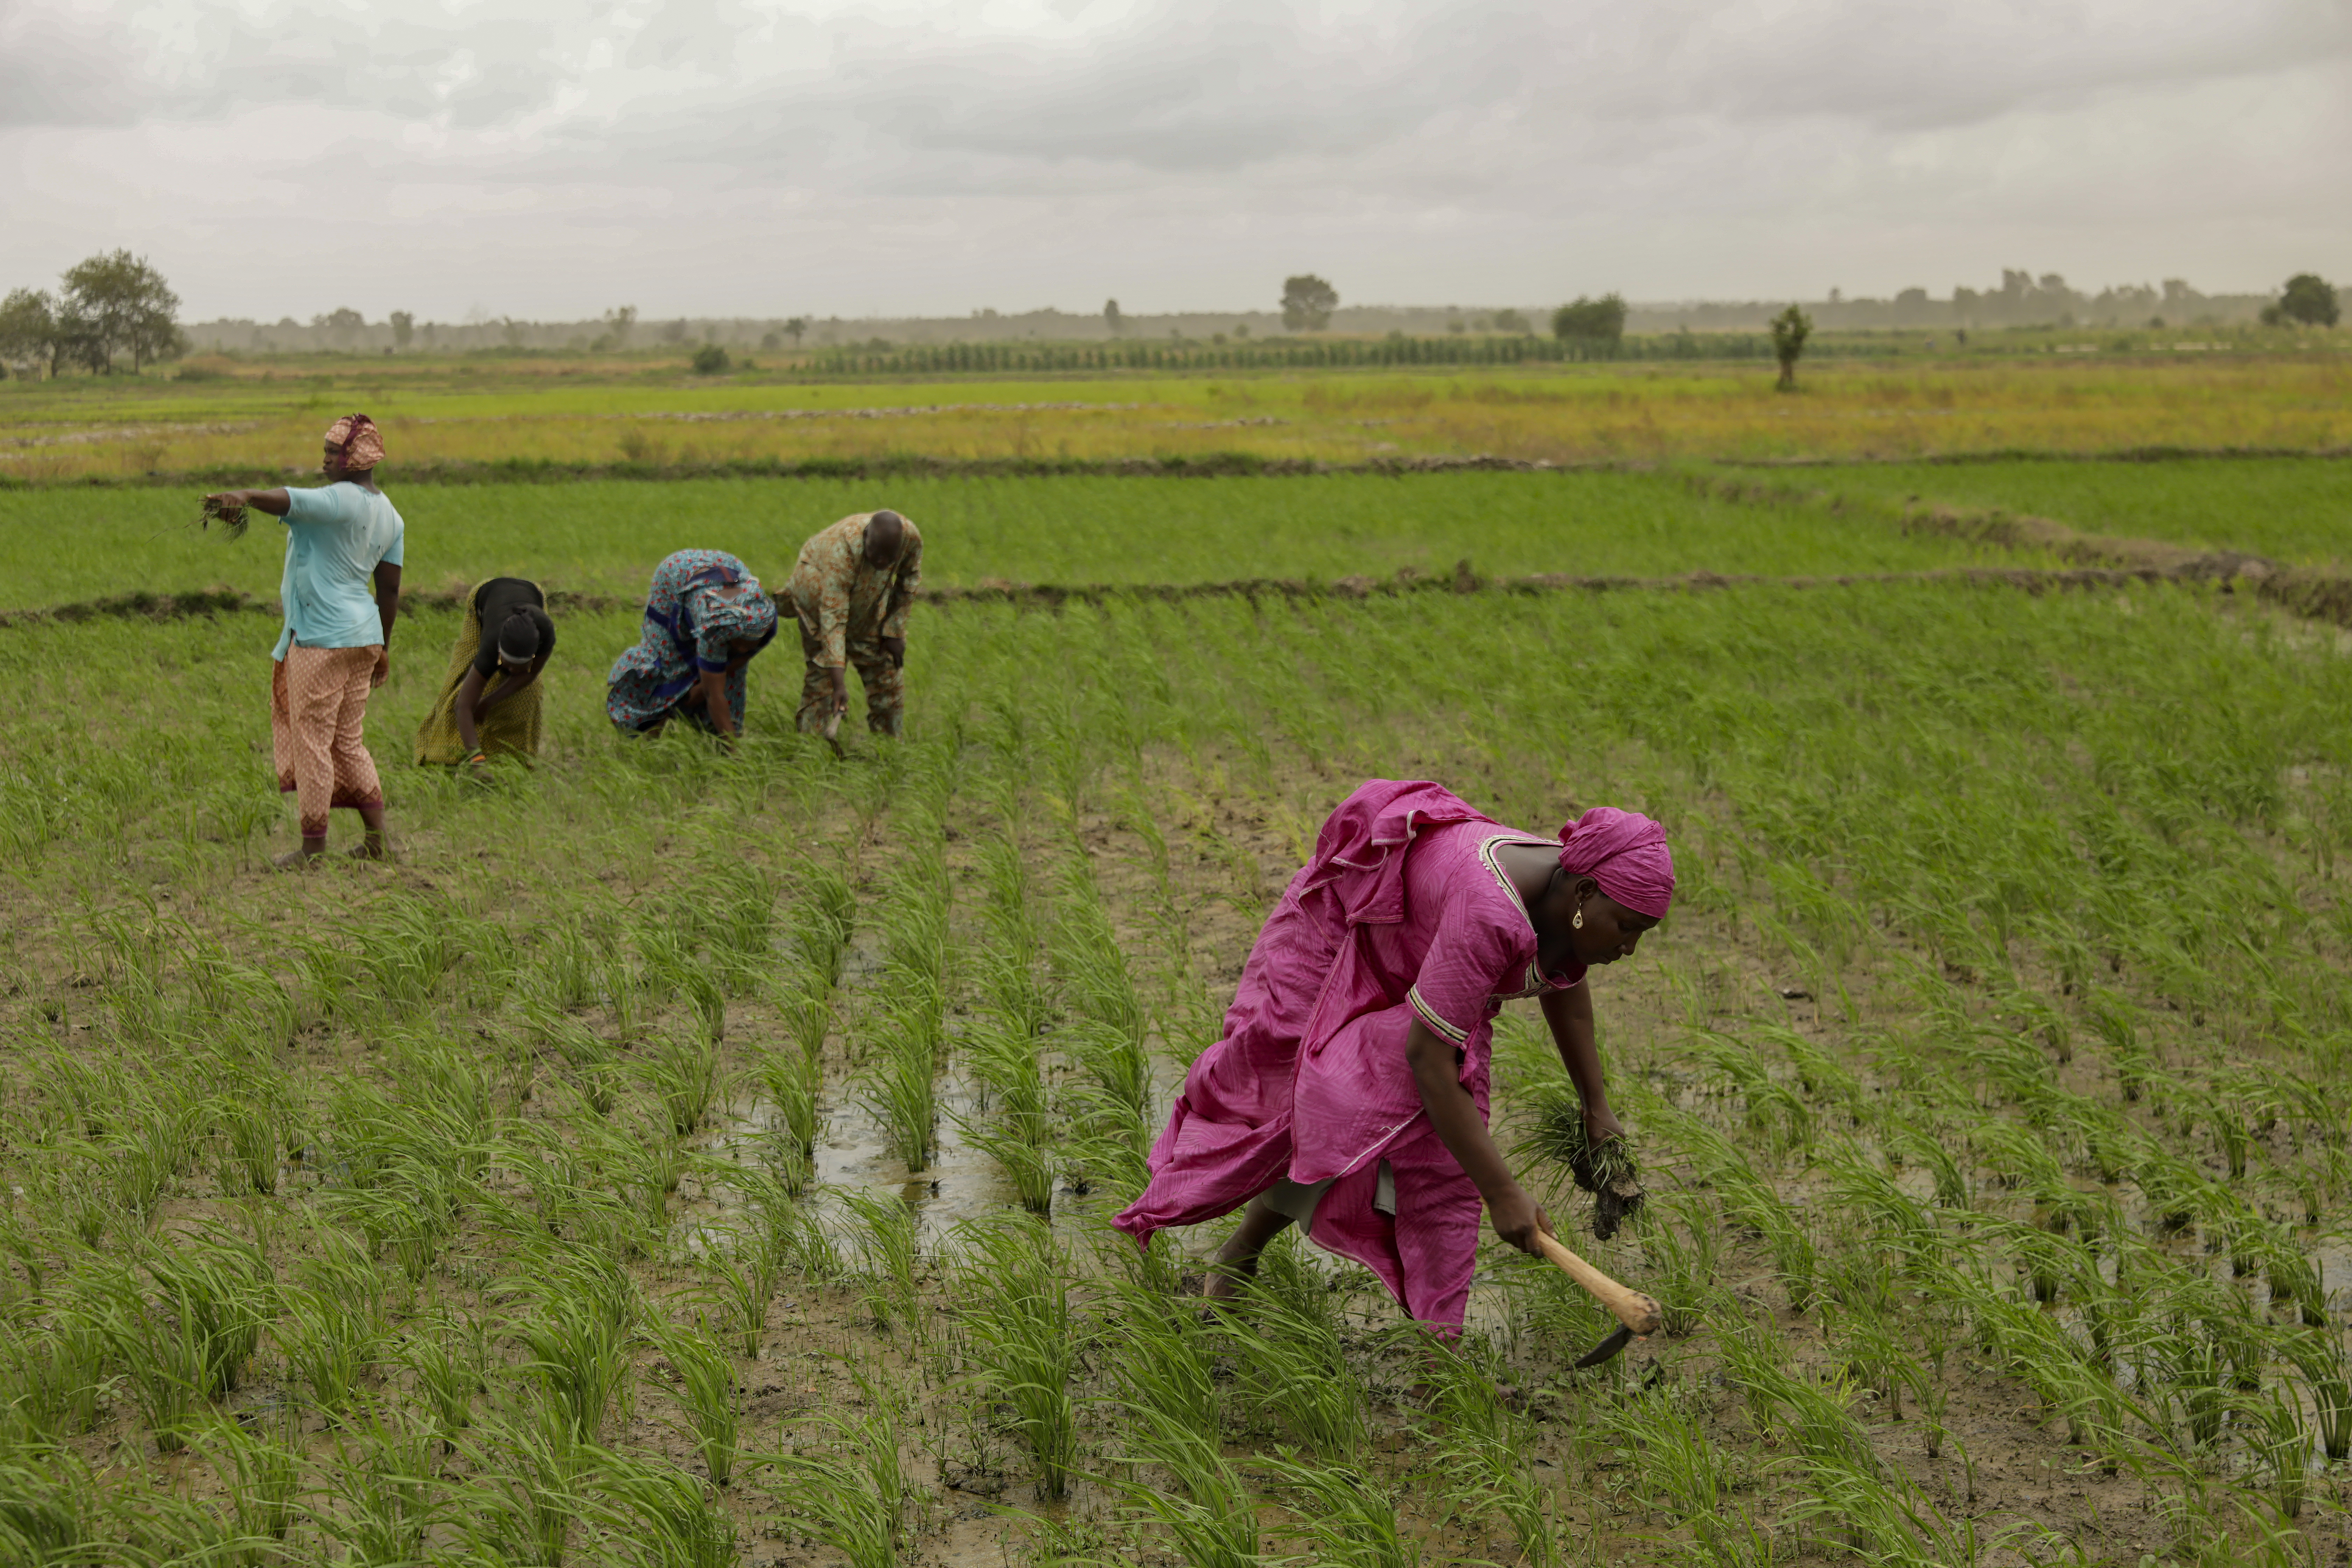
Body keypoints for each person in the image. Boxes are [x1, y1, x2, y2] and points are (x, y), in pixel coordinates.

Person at [1112, 780, 1674, 1336]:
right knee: (1310, 1106)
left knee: (1443, 1168)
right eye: (1626, 927)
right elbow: (1428, 1060)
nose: (1629, 948)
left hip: (1427, 971)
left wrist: (1595, 1106)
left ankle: (1440, 1355)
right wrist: (1504, 1194)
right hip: (1341, 937)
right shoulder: (1493, 910)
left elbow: (1563, 981)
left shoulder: (1563, 894)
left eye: (1642, 934)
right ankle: (1241, 1252)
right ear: (1581, 896)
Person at [203, 414, 404, 867]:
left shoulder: (338, 501)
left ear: (356, 459)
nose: (326, 460)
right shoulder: (391, 515)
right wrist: (384, 648)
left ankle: (313, 849)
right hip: (364, 637)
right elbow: (389, 591)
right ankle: (378, 841)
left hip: (321, 638)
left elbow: (290, 501)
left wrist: (246, 496)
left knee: (311, 740)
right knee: (348, 741)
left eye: (334, 453)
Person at [605, 550, 778, 741]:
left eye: (751, 644)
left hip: (724, 568)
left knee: (730, 680)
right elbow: (713, 695)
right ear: (728, 634)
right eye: (740, 643)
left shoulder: (763, 617)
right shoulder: (715, 629)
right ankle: (650, 742)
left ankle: (720, 743)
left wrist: (704, 684)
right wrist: (735, 753)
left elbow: (740, 660)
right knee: (670, 668)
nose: (745, 649)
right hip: (674, 577)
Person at [786, 509, 922, 739]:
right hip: (817, 593)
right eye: (875, 554)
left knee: (886, 670)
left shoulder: (910, 539)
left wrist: (894, 629)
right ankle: (810, 746)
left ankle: (888, 747)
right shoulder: (844, 550)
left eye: (888, 559)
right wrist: (839, 684)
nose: (881, 562)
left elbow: (910, 577)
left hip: (867, 603)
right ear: (866, 536)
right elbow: (834, 620)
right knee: (823, 675)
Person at [414, 578, 557, 772]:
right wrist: (478, 761)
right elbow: (463, 706)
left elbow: (530, 675)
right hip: (485, 595)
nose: (513, 672)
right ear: (499, 654)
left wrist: (489, 702)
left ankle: (517, 760)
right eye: (509, 665)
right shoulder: (490, 646)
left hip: (532, 592)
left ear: (533, 654)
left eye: (521, 665)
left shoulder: (545, 632)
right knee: (461, 679)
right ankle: (442, 755)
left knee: (529, 693)